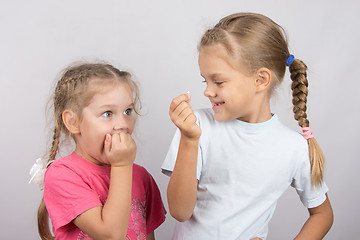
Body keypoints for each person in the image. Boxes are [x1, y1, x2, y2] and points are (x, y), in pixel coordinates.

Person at [161, 13, 333, 239]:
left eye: (218, 82)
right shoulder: (197, 126)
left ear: (260, 80)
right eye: (205, 80)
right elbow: (180, 211)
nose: (207, 91)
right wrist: (189, 140)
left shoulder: (293, 148)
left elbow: (323, 214)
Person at [31, 63, 166, 240]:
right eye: (107, 113)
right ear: (73, 122)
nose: (123, 124)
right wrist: (122, 165)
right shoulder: (61, 175)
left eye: (127, 111)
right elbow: (110, 235)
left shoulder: (141, 177)